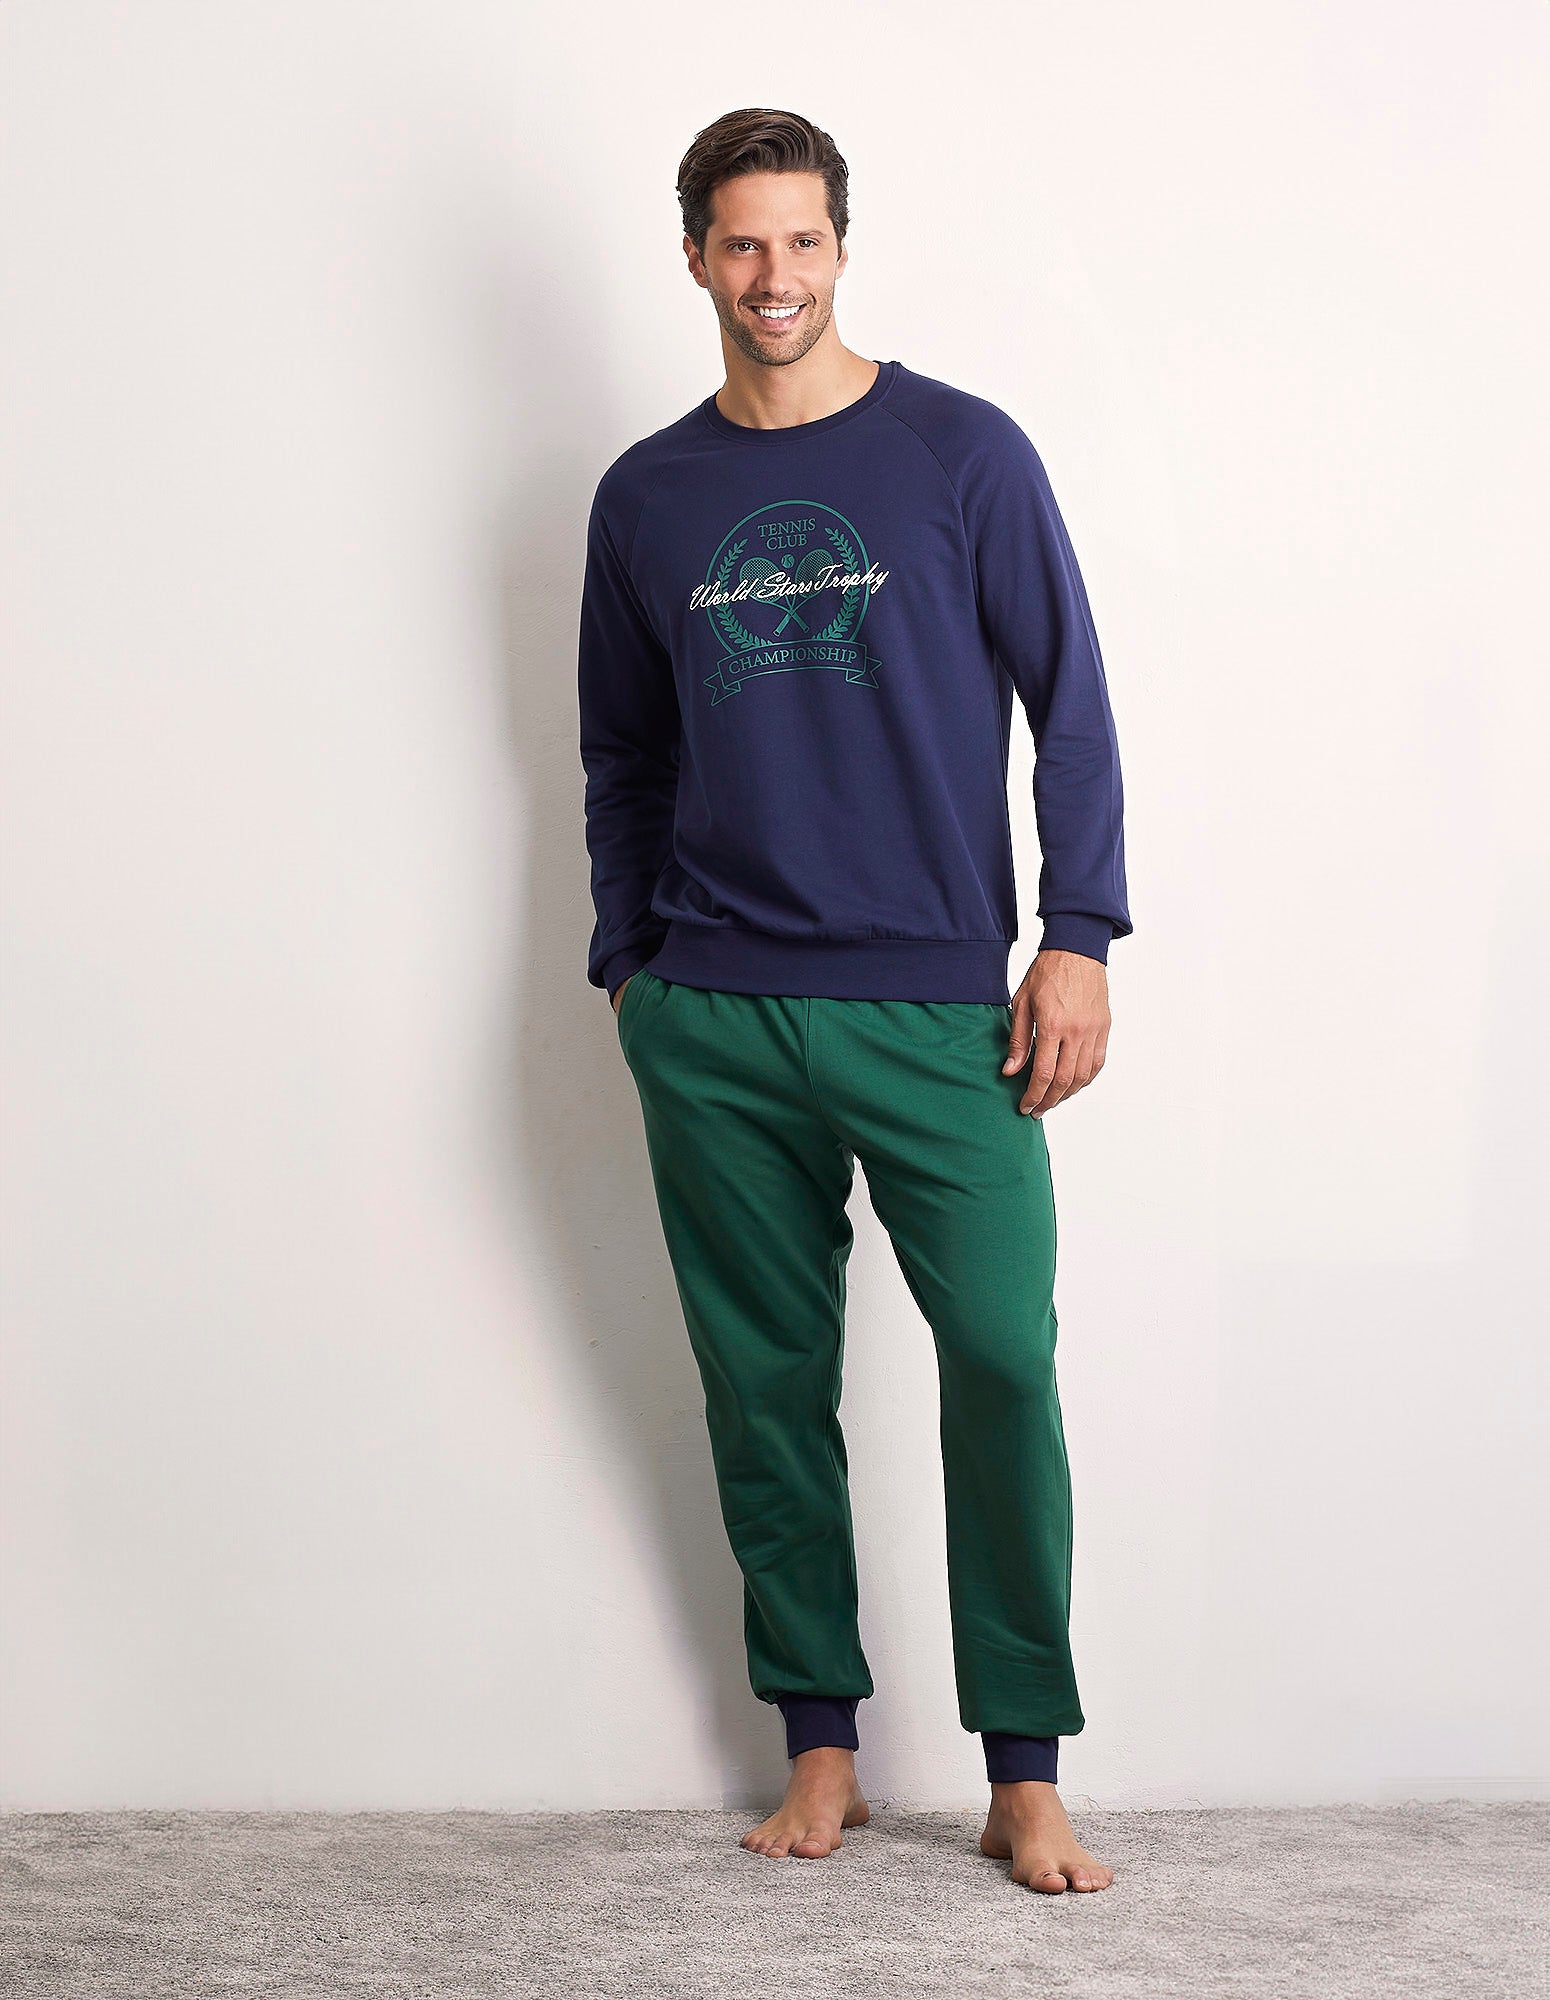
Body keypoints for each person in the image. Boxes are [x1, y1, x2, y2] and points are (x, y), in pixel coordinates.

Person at [577, 106, 1129, 1896]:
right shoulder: (646, 496)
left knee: (1002, 1362)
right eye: (741, 243)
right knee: (763, 1386)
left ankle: (1023, 1767)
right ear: (693, 257)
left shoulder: (961, 453)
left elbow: (1073, 704)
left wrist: (1078, 934)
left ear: (840, 249)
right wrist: (631, 963)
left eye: (801, 241)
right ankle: (819, 1742)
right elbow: (619, 754)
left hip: (935, 1011)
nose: (774, 277)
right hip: (714, 1012)